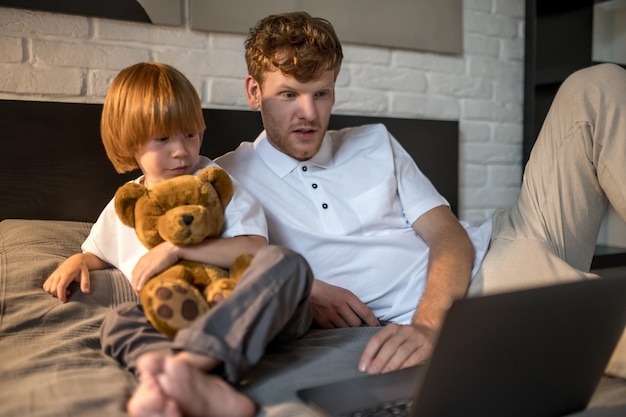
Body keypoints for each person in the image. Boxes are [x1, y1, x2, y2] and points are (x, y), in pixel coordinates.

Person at [215, 11, 626, 377]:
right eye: (289, 94)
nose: (308, 112)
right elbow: (177, 246)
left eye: (321, 93)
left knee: (598, 83)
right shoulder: (225, 177)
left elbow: (448, 236)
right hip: (484, 290)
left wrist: (429, 324)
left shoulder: (375, 141)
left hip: (493, 250)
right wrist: (307, 287)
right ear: (255, 92)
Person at [43, 62, 314, 417]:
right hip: (177, 323)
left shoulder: (215, 182)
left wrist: (177, 249)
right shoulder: (127, 200)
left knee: (287, 263)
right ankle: (200, 383)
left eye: (190, 134)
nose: (181, 151)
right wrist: (79, 260)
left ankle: (185, 368)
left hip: (251, 317)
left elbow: (254, 248)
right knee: (118, 320)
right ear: (130, 141)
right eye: (163, 139)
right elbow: (97, 249)